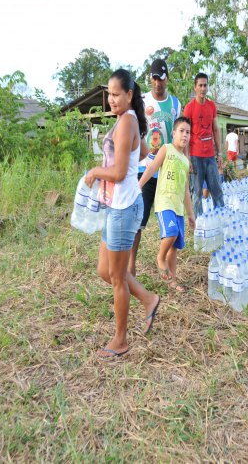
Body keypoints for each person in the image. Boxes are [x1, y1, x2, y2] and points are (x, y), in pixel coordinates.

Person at [85, 69, 161, 359]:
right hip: (117, 205)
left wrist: (95, 171)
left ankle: (121, 341)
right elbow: (141, 153)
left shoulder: (127, 121)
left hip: (124, 208)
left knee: (117, 277)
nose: (111, 99)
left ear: (129, 95)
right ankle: (148, 298)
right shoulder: (127, 121)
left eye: (116, 94)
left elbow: (117, 172)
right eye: (109, 94)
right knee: (105, 271)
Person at [129, 59, 182, 276]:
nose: (157, 83)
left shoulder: (176, 104)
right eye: (154, 78)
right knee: (138, 222)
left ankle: (168, 272)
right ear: (150, 79)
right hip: (144, 169)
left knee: (170, 225)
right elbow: (133, 128)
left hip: (168, 172)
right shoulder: (141, 101)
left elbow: (180, 138)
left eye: (161, 78)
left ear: (167, 79)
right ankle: (130, 268)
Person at [138, 117, 195, 292]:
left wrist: (191, 215)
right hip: (164, 202)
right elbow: (152, 167)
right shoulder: (166, 149)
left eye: (188, 132)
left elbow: (186, 191)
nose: (184, 135)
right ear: (173, 133)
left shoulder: (186, 162)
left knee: (175, 247)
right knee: (171, 233)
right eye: (181, 131)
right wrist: (138, 186)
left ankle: (173, 282)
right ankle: (160, 258)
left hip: (178, 208)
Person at [184, 73, 224, 218]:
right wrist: (187, 158)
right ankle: (199, 225)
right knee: (197, 192)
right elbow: (185, 134)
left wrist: (219, 154)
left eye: (205, 85)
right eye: (200, 85)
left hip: (210, 157)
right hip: (195, 156)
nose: (203, 88)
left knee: (217, 190)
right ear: (195, 88)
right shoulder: (189, 108)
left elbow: (215, 129)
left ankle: (220, 218)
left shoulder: (211, 106)